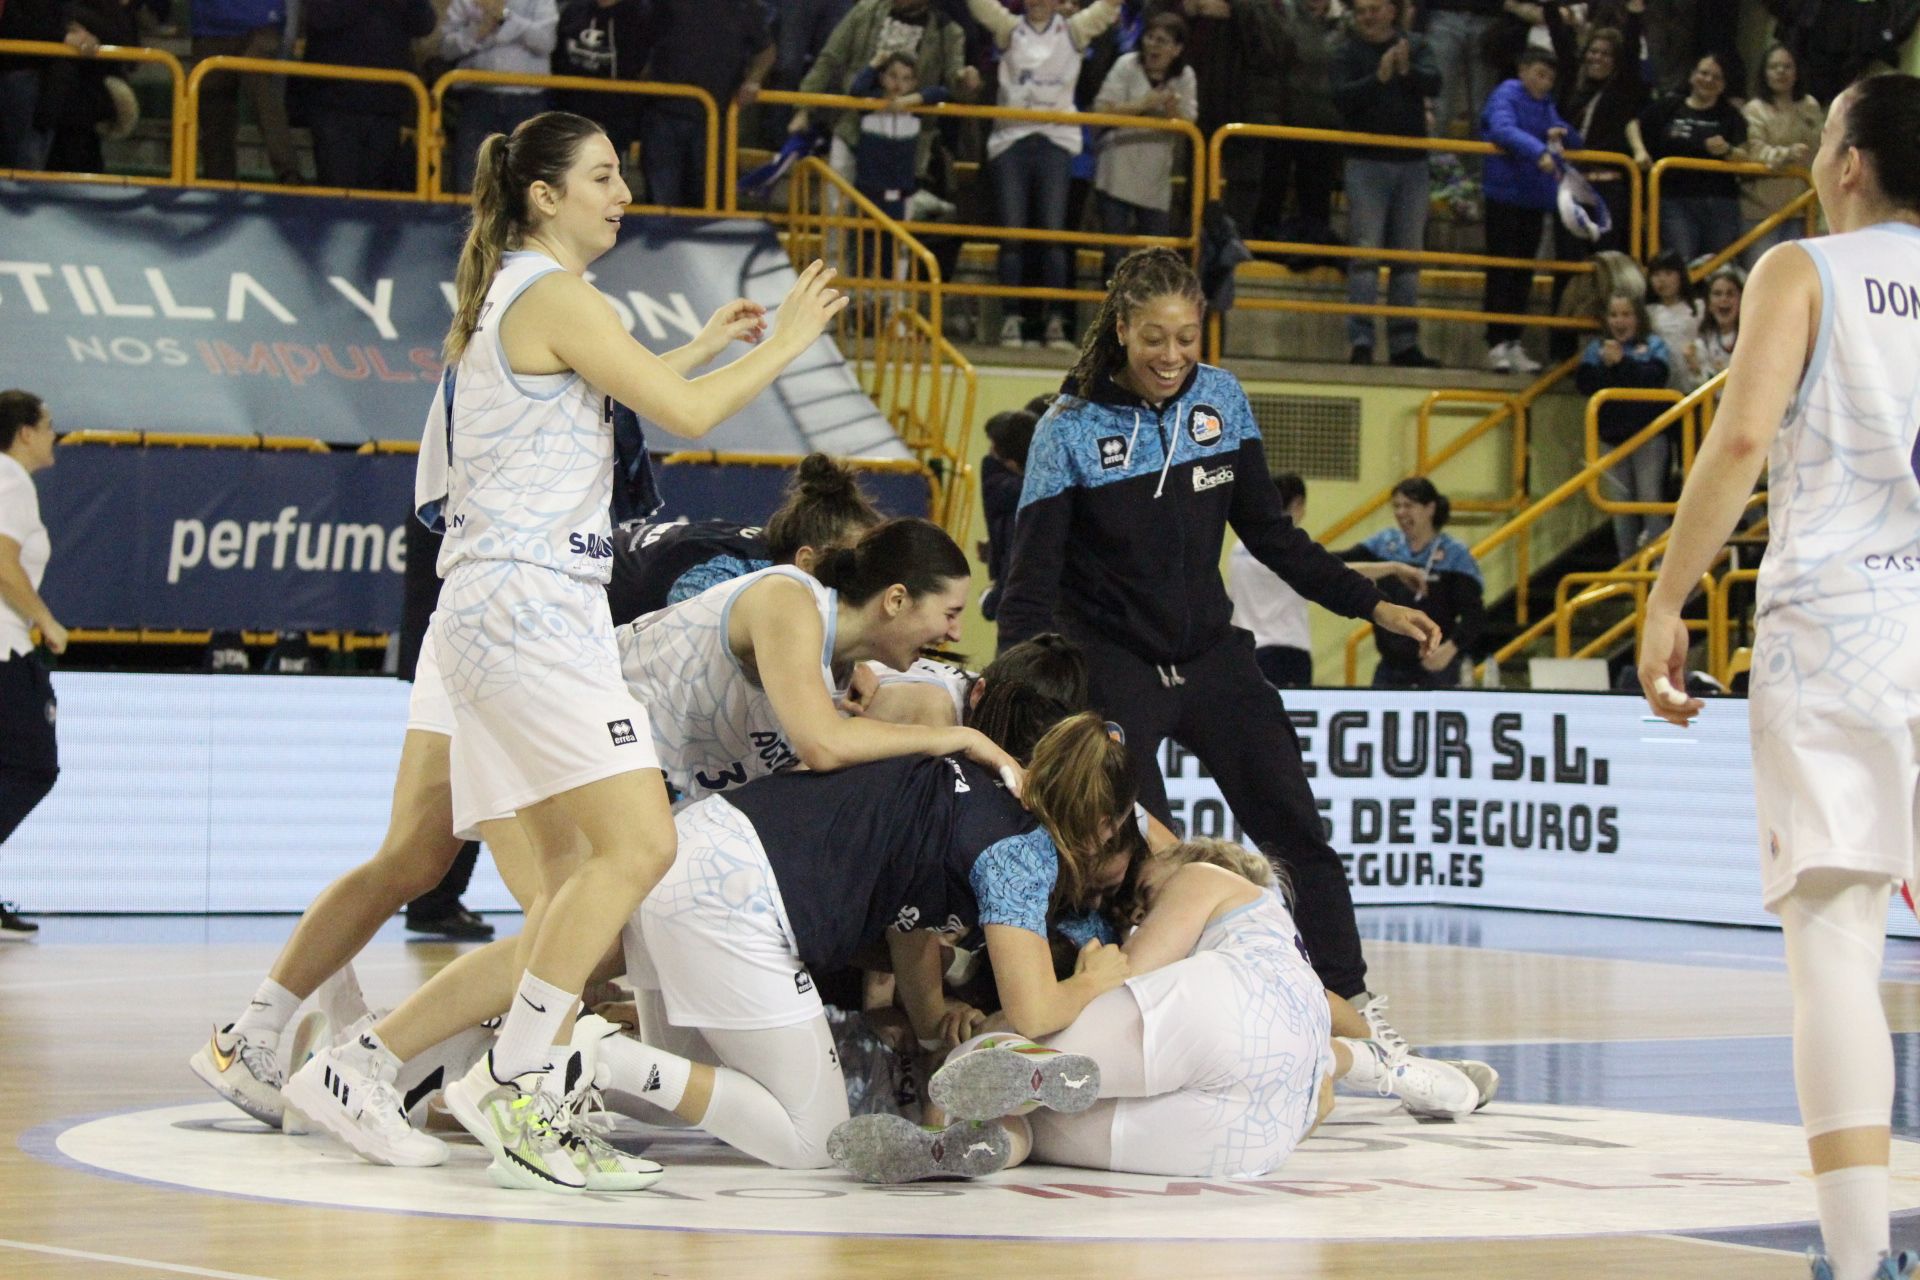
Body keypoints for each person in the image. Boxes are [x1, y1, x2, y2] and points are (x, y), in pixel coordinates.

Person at [277, 111, 848, 1191]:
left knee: (570, 897)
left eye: (620, 170)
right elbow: (678, 410)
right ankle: (516, 1074)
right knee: (639, 849)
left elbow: (611, 388)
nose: (620, 189)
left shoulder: (530, 297)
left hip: (505, 611)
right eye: (600, 174)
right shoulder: (549, 291)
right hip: (532, 607)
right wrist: (782, 346)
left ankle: (364, 1062)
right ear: (545, 196)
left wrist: (703, 345)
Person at [994, 245, 1443, 1030]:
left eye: (1187, 339)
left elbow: (1275, 538)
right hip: (1115, 662)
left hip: (1212, 657)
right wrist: (1018, 709)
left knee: (1297, 834)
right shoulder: (1066, 430)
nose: (1173, 356)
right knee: (1136, 856)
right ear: (1123, 329)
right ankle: (1128, 1009)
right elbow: (1030, 584)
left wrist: (1371, 606)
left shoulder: (1223, 402)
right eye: (1155, 338)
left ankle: (1355, 1008)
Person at [1635, 73, 1920, 1280]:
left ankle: (1861, 1259)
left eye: (1820, 138)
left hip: (1844, 630)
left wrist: (1665, 595)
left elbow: (1743, 438)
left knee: (1839, 945)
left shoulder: (1802, 268)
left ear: (1848, 161)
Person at [598, 711, 1137, 1168]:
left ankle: (558, 1073)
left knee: (672, 1093)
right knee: (813, 1139)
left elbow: (909, 923)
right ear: (1108, 826)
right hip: (737, 897)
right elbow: (1033, 1010)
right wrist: (1094, 981)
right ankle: (602, 1057)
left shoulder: (973, 775)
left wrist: (929, 1031)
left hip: (689, 845)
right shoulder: (1023, 850)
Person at [827, 836, 1482, 1183]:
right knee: (1029, 1118)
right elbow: (1321, 1030)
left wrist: (1021, 1013)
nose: (1136, 913)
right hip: (1255, 1137)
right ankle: (978, 1146)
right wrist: (1383, 1060)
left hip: (1219, 1019)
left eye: (1144, 896)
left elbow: (1128, 978)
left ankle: (983, 1107)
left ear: (1185, 864)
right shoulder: (1285, 957)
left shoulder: (1210, 879)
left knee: (980, 1064)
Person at [968, 0, 1122, 351]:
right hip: (1011, 140)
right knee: (1012, 234)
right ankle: (1011, 319)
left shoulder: (1073, 30)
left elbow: (1107, 9)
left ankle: (1055, 322)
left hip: (1056, 140)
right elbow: (979, 6)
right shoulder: (1009, 29)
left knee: (1053, 234)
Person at [607, 452, 882, 624]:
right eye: (848, 569)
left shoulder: (767, 557)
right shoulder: (725, 578)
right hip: (580, 607)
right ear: (806, 561)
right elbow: (686, 655)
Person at [1331, 0, 1442, 368]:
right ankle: (1361, 341)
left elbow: (1435, 83)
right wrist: (1377, 79)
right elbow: (1341, 99)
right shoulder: (1346, 50)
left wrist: (1407, 71)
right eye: (1362, 10)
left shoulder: (1416, 45)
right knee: (1365, 254)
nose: (1368, 16)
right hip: (1365, 163)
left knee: (1407, 257)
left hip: (1411, 164)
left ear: (1393, 11)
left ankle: (1404, 344)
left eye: (1375, 8)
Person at [0, 391, 64, 942]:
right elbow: (3, 560)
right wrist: (48, 620)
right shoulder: (11, 478)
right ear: (23, 432)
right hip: (3, 646)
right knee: (33, 766)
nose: (53, 436)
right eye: (47, 426)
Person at [1478, 47, 1582, 375]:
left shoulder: (1546, 105)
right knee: (1503, 268)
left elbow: (1572, 139)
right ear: (1522, 70)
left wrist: (1564, 135)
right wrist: (1539, 150)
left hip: (1534, 198)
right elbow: (1502, 129)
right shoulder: (1506, 94)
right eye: (1540, 74)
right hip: (1504, 195)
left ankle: (1513, 340)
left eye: (1550, 78)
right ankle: (1495, 342)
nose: (1545, 82)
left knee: (1524, 270)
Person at [1339, 477, 1483, 688]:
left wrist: (1450, 649)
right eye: (1396, 506)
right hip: (1390, 667)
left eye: (1408, 505)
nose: (1400, 512)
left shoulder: (1454, 554)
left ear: (1430, 508)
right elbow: (1337, 563)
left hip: (1435, 667)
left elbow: (1475, 615)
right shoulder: (1385, 545)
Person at [1089, 12, 1198, 282]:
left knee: (1155, 260)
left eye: (1162, 41)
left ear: (1177, 49)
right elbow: (1101, 111)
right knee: (1115, 258)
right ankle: (1111, 319)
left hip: (1154, 177)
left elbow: (1189, 123)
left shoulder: (1184, 76)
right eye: (1149, 37)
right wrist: (1143, 105)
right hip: (1116, 170)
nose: (1153, 46)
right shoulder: (1126, 65)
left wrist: (1174, 114)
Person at [637, 0, 774, 209]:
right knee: (661, 207)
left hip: (714, 122)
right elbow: (638, 38)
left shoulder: (744, 6)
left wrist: (753, 80)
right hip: (663, 115)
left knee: (708, 210)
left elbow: (766, 51)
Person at [1575, 293, 1675, 558]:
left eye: (1626, 314)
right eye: (1614, 315)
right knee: (1620, 508)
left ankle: (1661, 565)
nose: (1620, 321)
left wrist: (1622, 363)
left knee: (1650, 500)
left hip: (1649, 436)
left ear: (1638, 317)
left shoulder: (1653, 345)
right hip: (1612, 438)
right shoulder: (1596, 350)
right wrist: (1609, 367)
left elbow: (1654, 379)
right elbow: (1585, 384)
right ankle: (1627, 571)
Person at [302, 0, 437, 192]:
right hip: (334, 102)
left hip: (386, 104)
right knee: (336, 194)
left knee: (377, 198)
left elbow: (424, 24)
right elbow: (321, 17)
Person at [1630, 52, 1748, 268]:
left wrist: (1727, 149)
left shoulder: (1731, 115)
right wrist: (1640, 151)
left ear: (1724, 85)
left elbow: (1744, 154)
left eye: (1716, 77)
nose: (1708, 80)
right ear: (1692, 75)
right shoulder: (1669, 105)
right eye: (1704, 73)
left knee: (1719, 268)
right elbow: (1633, 124)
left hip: (1720, 202)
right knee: (1681, 264)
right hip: (1674, 201)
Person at [440, 0, 559, 196]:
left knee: (530, 186)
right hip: (477, 101)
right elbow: (446, 49)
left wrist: (504, 17)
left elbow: (546, 41)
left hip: (526, 103)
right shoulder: (467, 2)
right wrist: (478, 31)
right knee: (470, 184)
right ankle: (474, 228)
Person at [190, 0, 300, 184]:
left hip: (260, 24)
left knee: (259, 84)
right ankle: (219, 184)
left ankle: (289, 172)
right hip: (211, 27)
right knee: (215, 113)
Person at [1740, 44, 1824, 266]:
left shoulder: (1809, 105)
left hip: (1801, 206)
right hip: (1760, 209)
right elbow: (1754, 151)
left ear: (1797, 72)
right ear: (1764, 73)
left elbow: (1819, 149)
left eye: (1787, 67)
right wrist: (1786, 154)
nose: (1781, 72)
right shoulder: (1754, 109)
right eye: (1774, 67)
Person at [550, 0, 653, 175]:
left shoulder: (639, 16)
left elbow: (638, 68)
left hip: (614, 127)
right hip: (570, 125)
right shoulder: (573, 11)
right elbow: (557, 63)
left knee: (608, 190)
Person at [849, 51, 951, 221]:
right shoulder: (871, 104)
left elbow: (942, 92)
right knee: (867, 242)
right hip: (869, 190)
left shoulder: (916, 110)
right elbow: (856, 90)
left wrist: (912, 100)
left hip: (901, 192)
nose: (898, 83)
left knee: (896, 243)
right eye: (893, 76)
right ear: (882, 78)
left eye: (906, 78)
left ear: (913, 83)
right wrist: (874, 63)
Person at [978, 408, 1039, 622]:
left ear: (1010, 462)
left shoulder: (1009, 498)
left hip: (1022, 619)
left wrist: (989, 601)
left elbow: (1015, 563)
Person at [1644, 247, 1703, 391]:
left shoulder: (1699, 307)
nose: (1662, 280)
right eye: (1656, 274)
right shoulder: (1647, 313)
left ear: (1680, 275)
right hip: (1662, 387)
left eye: (1668, 273)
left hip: (1694, 384)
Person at [1684, 261, 1742, 389]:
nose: (1724, 299)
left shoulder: (1752, 340)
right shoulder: (1702, 343)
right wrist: (1695, 369)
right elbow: (1700, 386)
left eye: (1730, 294)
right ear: (1709, 304)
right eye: (1717, 294)